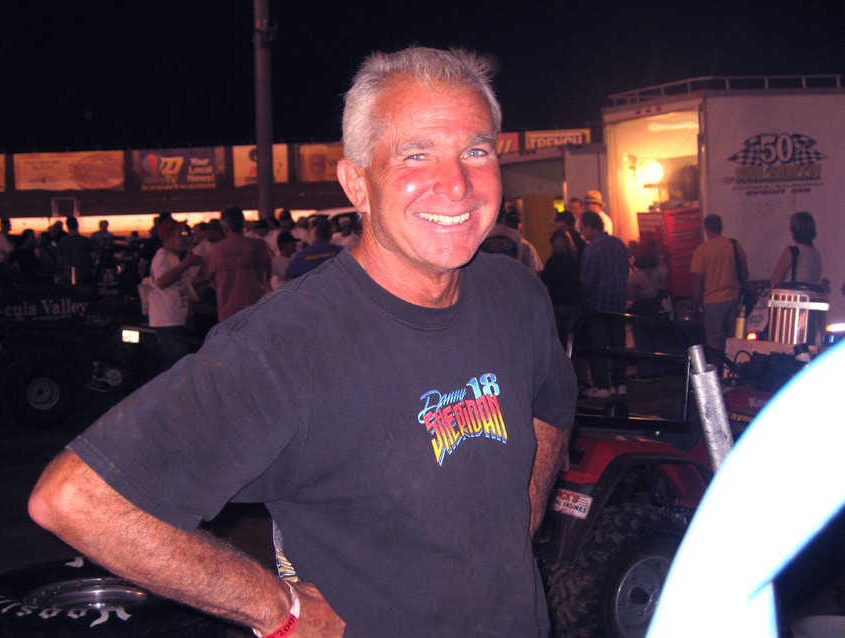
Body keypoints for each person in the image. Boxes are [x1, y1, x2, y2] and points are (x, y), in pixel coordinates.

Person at [29, 46, 576, 637]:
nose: (458, 183)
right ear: (357, 184)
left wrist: (518, 519)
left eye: (476, 151)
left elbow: (551, 406)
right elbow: (77, 498)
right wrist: (280, 608)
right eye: (416, 154)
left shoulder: (517, 294)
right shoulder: (283, 348)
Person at [579, 209, 629, 397]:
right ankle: (620, 383)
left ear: (590, 227)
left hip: (598, 305)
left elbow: (587, 282)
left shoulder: (592, 248)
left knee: (598, 346)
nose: (581, 232)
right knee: (618, 345)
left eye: (582, 228)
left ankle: (602, 386)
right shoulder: (619, 244)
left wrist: (584, 298)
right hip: (619, 303)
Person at [148, 220, 203, 371]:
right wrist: (185, 264)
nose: (185, 238)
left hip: (175, 320)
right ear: (168, 238)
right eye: (181, 234)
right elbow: (161, 282)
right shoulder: (162, 257)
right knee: (177, 365)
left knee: (177, 364)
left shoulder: (173, 258)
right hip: (167, 322)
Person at [203, 206, 272, 322]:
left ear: (224, 228)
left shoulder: (217, 251)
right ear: (244, 224)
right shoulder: (260, 246)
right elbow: (268, 274)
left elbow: (213, 280)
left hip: (229, 315)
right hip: (257, 312)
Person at [690, 214, 748, 352]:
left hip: (712, 302)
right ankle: (733, 364)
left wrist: (694, 305)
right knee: (734, 340)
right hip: (734, 299)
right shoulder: (734, 245)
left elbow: (697, 281)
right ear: (721, 227)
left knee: (714, 341)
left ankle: (717, 365)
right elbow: (744, 272)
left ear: (706, 229)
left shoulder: (701, 251)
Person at [626, 240, 669, 381]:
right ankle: (659, 371)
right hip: (659, 310)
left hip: (642, 311)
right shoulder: (661, 272)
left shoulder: (636, 277)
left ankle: (645, 372)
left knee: (643, 343)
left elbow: (631, 295)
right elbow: (662, 264)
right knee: (659, 342)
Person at [769, 212, 823, 288]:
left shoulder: (792, 252)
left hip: (791, 294)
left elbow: (775, 280)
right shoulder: (816, 254)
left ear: (793, 231)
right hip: (809, 295)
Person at [57, 215, 96, 285]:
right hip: (84, 275)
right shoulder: (86, 241)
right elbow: (93, 256)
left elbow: (60, 260)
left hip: (68, 275)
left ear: (67, 227)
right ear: (77, 225)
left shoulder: (62, 242)